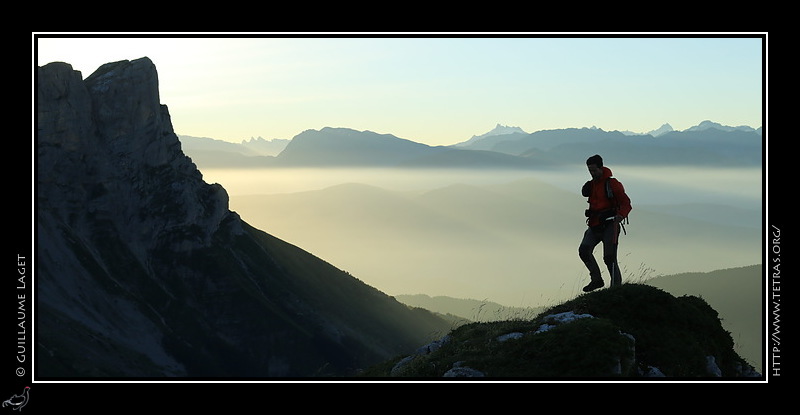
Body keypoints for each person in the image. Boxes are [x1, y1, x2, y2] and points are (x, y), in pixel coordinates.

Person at [578, 154, 632, 292]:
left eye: (594, 170)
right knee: (584, 250)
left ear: (601, 168)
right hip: (594, 224)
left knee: (609, 257)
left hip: (610, 225)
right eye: (589, 170)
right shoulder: (592, 185)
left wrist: (620, 216)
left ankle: (616, 288)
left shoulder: (613, 184)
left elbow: (626, 203)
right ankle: (596, 280)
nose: (592, 173)